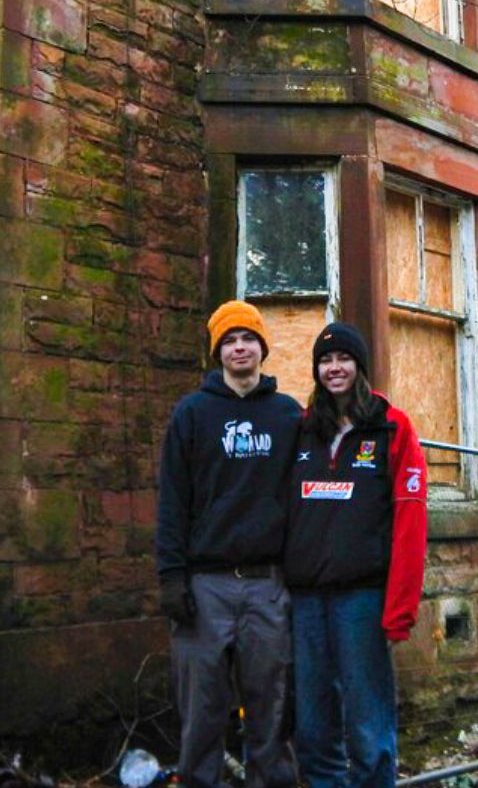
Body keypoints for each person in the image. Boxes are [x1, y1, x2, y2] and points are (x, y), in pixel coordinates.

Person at [156, 300, 303, 788]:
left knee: (272, 709)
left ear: (262, 347)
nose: (239, 347)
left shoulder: (287, 416)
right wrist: (172, 576)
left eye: (247, 339)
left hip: (267, 586)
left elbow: (304, 498)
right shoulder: (192, 413)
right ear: (218, 352)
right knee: (202, 713)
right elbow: (173, 499)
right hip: (206, 588)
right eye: (229, 341)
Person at [284, 322, 427, 788]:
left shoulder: (392, 427)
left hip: (362, 599)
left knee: (368, 725)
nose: (334, 368)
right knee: (313, 726)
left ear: (359, 366)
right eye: (325, 361)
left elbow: (410, 524)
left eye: (343, 359)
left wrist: (399, 609)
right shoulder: (302, 430)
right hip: (306, 600)